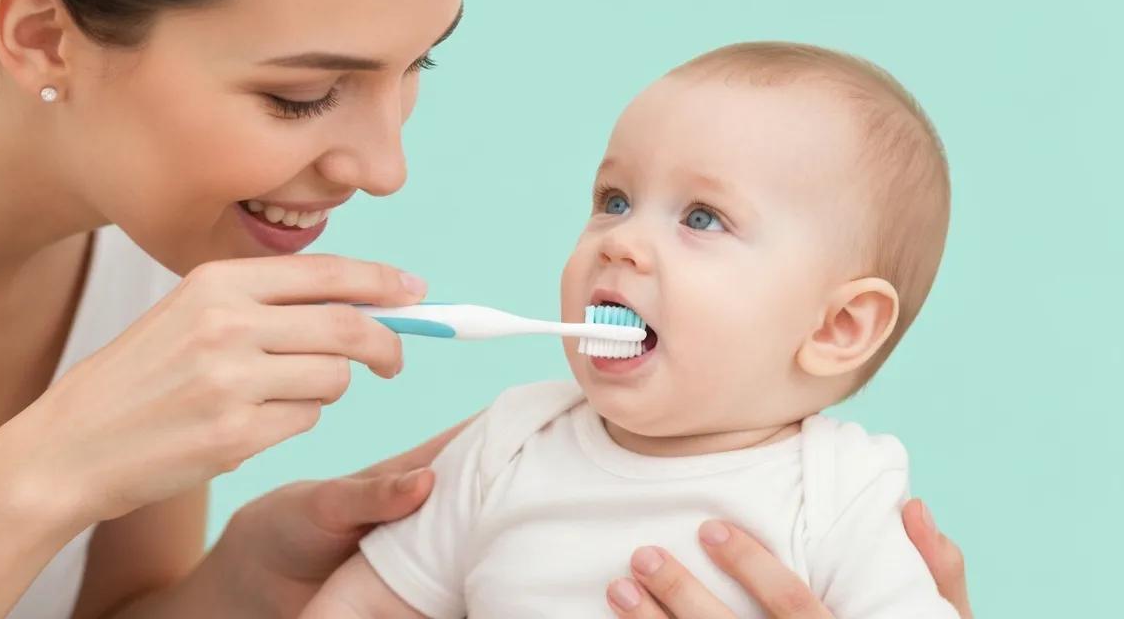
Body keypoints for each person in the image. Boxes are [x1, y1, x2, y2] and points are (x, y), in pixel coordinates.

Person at [0, 0, 972, 616]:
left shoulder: (170, 231)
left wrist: (249, 582)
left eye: (417, 64)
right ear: (42, 33)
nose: (384, 164)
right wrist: (47, 472)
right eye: (300, 95)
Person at [303, 43, 962, 618]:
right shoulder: (512, 441)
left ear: (837, 327)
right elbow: (366, 602)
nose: (621, 242)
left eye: (702, 218)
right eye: (613, 201)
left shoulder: (841, 494)